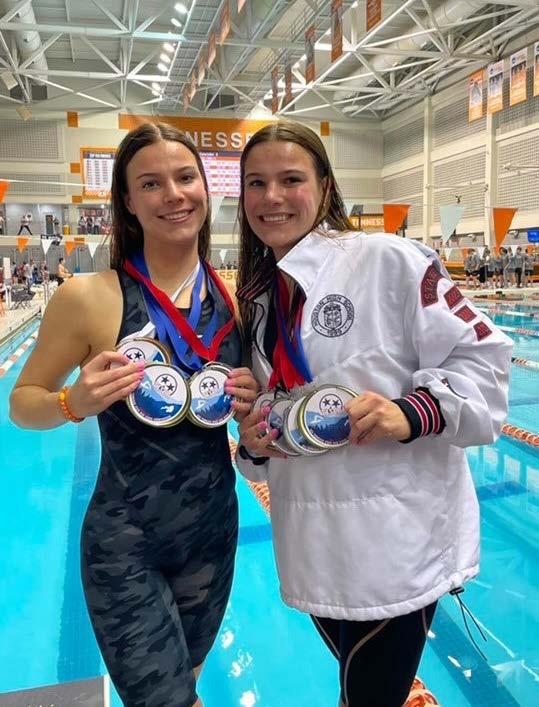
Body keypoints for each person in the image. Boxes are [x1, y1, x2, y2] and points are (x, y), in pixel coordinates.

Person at [234, 121, 513, 707]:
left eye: (290, 179)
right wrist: (257, 439)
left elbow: (485, 358)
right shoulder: (260, 295)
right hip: (311, 541)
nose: (272, 197)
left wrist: (412, 412)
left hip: (396, 540)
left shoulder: (389, 258)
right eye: (256, 183)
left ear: (325, 187)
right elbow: (273, 402)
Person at [9, 122, 258, 707]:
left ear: (205, 188)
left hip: (213, 534)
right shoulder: (89, 297)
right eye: (151, 183)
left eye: (185, 177)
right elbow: (22, 403)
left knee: (185, 683)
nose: (173, 195)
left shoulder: (236, 301)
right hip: (126, 544)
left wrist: (254, 410)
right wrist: (73, 402)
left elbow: (254, 429)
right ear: (127, 200)